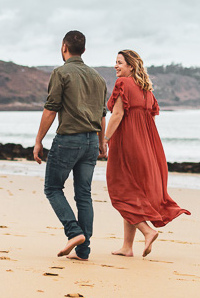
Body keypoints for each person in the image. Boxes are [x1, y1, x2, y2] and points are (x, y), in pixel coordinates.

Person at [104, 49, 189, 257]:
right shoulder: (147, 89)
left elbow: (117, 114)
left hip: (127, 145)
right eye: (115, 62)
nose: (116, 66)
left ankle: (147, 230)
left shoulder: (122, 84)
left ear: (131, 66)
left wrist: (105, 140)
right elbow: (147, 120)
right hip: (148, 148)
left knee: (121, 191)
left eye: (120, 63)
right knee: (132, 193)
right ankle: (127, 247)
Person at [33, 30, 108, 260]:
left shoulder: (60, 73)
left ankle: (74, 232)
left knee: (53, 188)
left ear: (64, 47)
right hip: (90, 142)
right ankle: (83, 251)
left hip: (68, 140)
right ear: (83, 50)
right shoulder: (98, 78)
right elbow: (101, 114)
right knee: (83, 195)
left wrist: (38, 141)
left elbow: (51, 109)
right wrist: (102, 143)